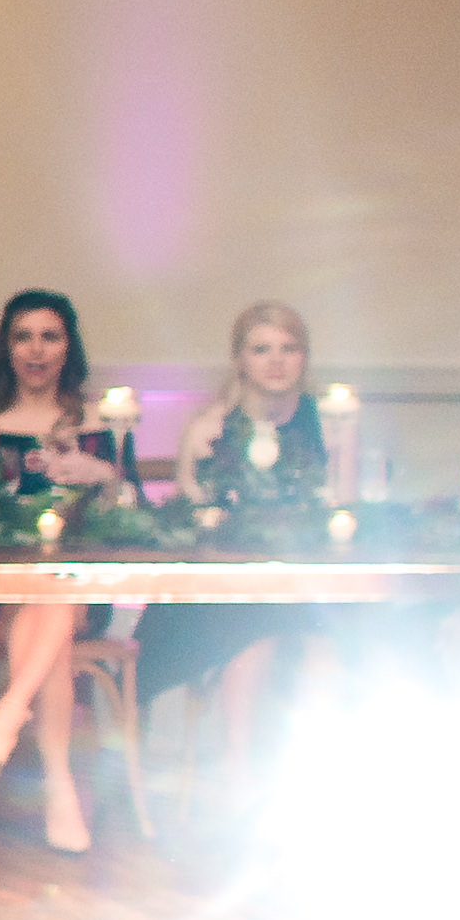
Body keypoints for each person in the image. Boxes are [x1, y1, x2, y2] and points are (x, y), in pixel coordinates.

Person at [142, 301, 354, 808]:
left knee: (326, 648)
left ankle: (310, 780)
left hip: (306, 586)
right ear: (240, 359)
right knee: (253, 632)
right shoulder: (212, 428)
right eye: (262, 350)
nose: (276, 362)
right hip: (225, 591)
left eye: (289, 349)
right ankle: (239, 776)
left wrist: (344, 448)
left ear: (304, 358)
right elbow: (191, 520)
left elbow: (345, 514)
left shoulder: (330, 424)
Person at [0, 290, 132, 854]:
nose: (36, 349)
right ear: (6, 347)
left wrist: (100, 475)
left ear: (67, 347)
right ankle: (58, 787)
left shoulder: (97, 421)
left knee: (55, 594)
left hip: (80, 588)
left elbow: (129, 515)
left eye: (49, 336)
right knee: (44, 610)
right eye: (23, 336)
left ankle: (12, 713)